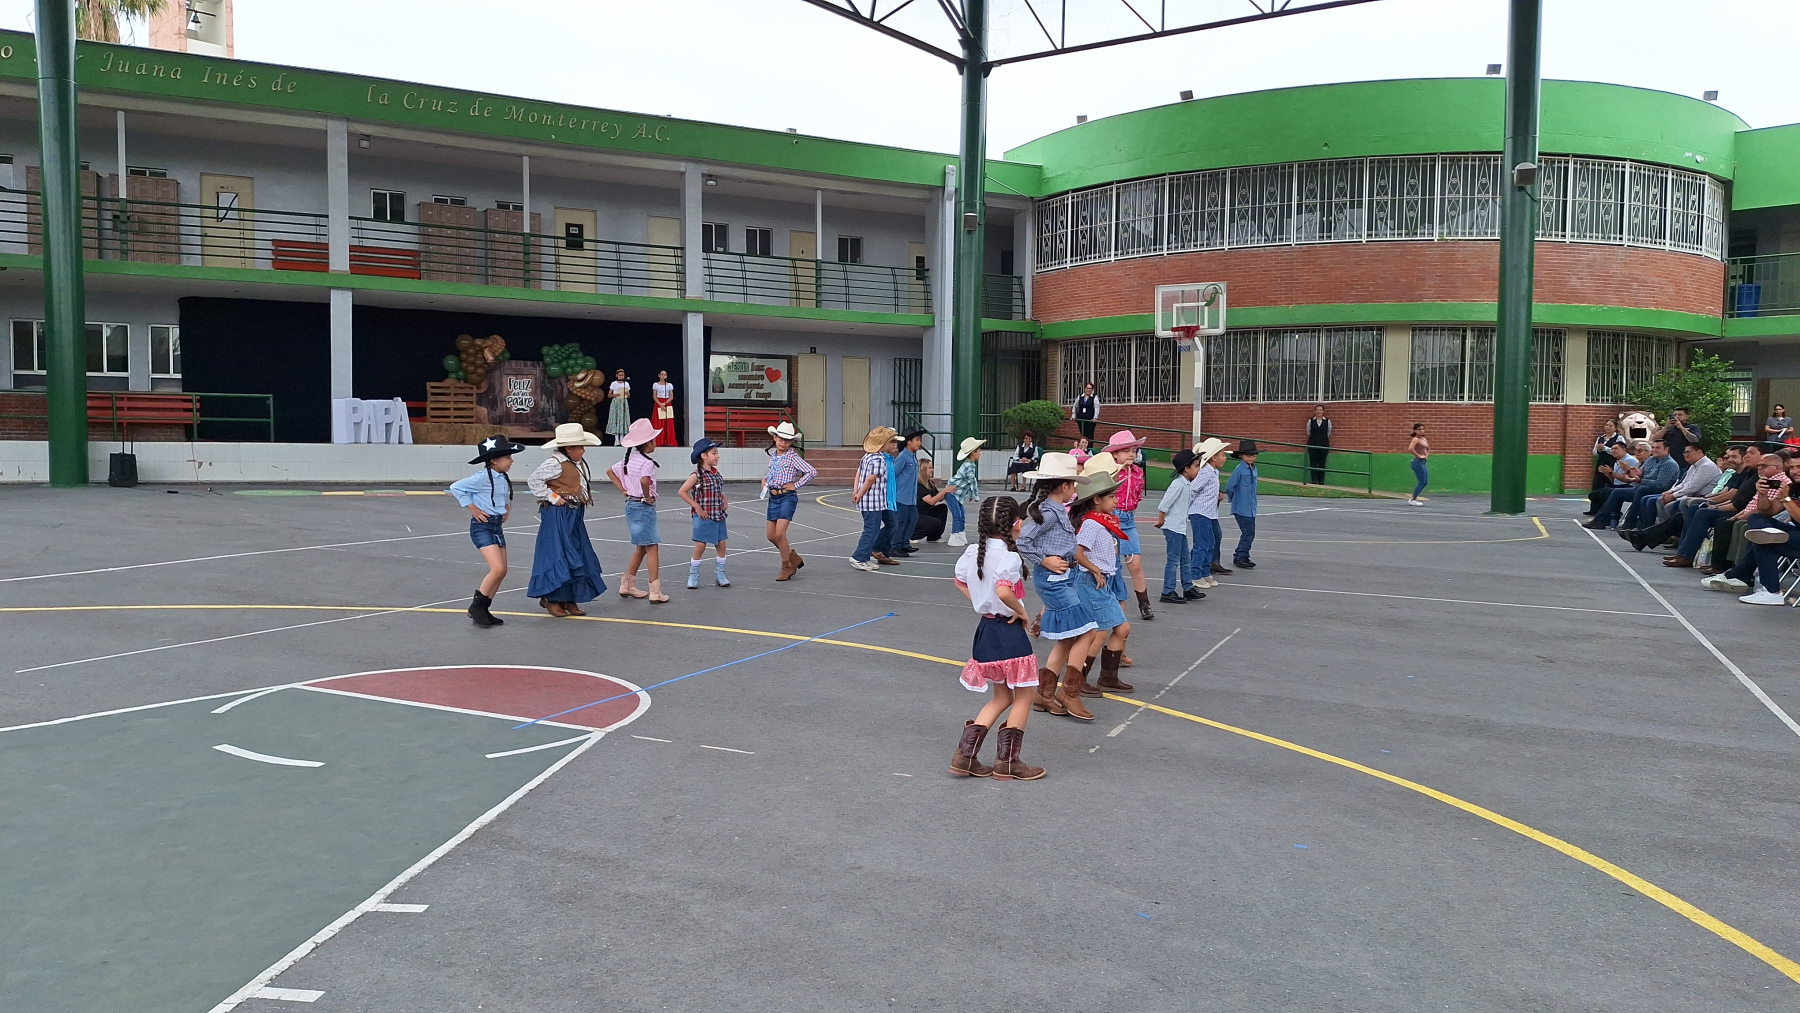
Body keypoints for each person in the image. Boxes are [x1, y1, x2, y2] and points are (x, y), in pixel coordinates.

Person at [948, 496, 1044, 781]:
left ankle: (965, 756)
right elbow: (1003, 590)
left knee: (1002, 696)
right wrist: (1021, 611)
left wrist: (981, 601)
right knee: (1025, 694)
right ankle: (1008, 762)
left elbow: (959, 582)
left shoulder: (973, 552)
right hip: (1007, 629)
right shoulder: (1009, 556)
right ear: (1017, 524)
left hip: (986, 630)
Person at [1016, 452, 1101, 722]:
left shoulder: (1053, 510)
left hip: (1062, 578)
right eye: (1073, 484)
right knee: (1088, 630)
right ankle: (1069, 692)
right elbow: (1023, 540)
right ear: (1063, 486)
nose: (1074, 489)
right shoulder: (1048, 512)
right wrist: (1045, 560)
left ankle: (1045, 693)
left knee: (1068, 636)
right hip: (1054, 581)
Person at [526, 422, 608, 617]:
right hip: (559, 514)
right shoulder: (555, 463)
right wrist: (553, 497)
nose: (583, 451)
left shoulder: (575, 463)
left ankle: (570, 599)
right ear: (569, 448)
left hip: (574, 513)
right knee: (559, 553)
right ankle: (553, 598)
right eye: (580, 447)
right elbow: (534, 480)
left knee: (577, 552)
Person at [448, 435, 525, 627]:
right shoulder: (481, 477)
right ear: (494, 460)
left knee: (503, 570)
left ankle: (484, 607)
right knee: (497, 568)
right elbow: (456, 487)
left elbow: (500, 495)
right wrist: (472, 507)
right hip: (483, 526)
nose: (511, 461)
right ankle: (475, 607)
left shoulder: (502, 477)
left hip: (496, 525)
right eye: (507, 457)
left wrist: (506, 507)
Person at [1070, 470, 1134, 697]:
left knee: (1122, 628)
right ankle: (1078, 678)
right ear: (1097, 499)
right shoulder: (1092, 524)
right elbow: (1077, 551)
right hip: (1089, 582)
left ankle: (1108, 677)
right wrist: (1095, 569)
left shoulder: (1103, 522)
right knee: (1096, 633)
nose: (1116, 500)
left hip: (1101, 581)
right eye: (1112, 496)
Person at [606, 418, 669, 604]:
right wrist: (647, 496)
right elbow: (644, 480)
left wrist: (623, 489)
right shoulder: (647, 463)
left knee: (641, 547)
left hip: (631, 505)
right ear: (648, 443)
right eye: (653, 440)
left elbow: (610, 471)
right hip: (643, 506)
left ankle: (627, 583)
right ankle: (655, 591)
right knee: (652, 547)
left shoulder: (629, 459)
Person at [1099, 429, 1155, 621]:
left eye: (1133, 450)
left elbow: (1137, 495)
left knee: (1135, 563)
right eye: (1126, 450)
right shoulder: (1110, 472)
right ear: (1115, 454)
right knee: (1112, 565)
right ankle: (1111, 603)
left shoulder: (1138, 472)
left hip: (1128, 519)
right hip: (1111, 519)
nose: (1131, 454)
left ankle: (1144, 603)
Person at [763, 421, 817, 581]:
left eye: (787, 440)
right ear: (775, 438)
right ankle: (793, 557)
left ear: (791, 442)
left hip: (787, 497)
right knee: (771, 535)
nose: (783, 442)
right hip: (774, 497)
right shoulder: (773, 456)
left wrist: (796, 485)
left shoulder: (792, 456)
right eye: (781, 439)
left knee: (780, 533)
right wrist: (765, 480)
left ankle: (786, 566)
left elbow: (812, 471)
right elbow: (773, 473)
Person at [678, 437, 730, 589]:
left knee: (721, 543)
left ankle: (720, 574)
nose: (717, 456)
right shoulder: (696, 475)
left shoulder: (716, 474)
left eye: (717, 453)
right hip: (704, 516)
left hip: (718, 514)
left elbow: (716, 491)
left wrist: (723, 498)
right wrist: (696, 506)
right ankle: (693, 575)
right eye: (714, 453)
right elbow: (682, 491)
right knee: (700, 544)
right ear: (704, 456)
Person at [1153, 449, 1203, 604]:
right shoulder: (1178, 484)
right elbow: (1164, 504)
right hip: (1173, 528)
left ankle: (1188, 588)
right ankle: (1167, 591)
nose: (1198, 469)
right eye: (1196, 466)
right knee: (1173, 560)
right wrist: (1161, 520)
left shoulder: (1186, 484)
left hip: (1180, 528)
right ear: (1186, 468)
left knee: (1185, 559)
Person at [849, 427, 898, 571]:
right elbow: (871, 479)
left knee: (873, 529)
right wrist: (860, 493)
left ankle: (865, 557)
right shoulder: (879, 459)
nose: (894, 444)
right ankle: (858, 557)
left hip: (870, 500)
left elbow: (859, 474)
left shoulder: (866, 456)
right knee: (871, 530)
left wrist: (856, 491)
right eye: (891, 442)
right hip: (873, 501)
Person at [1188, 438, 1227, 591]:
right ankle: (1194, 574)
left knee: (1210, 542)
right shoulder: (1205, 472)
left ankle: (1204, 571)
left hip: (1209, 513)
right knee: (1202, 544)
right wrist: (1186, 508)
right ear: (1214, 457)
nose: (1225, 458)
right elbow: (1192, 489)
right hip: (1200, 513)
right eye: (1222, 455)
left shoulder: (1214, 472)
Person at [932, 437, 984, 547]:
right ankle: (954, 536)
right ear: (973, 453)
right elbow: (971, 481)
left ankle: (960, 534)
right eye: (978, 451)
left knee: (961, 514)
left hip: (957, 495)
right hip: (952, 494)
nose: (980, 454)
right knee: (957, 515)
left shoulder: (970, 464)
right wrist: (975, 495)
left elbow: (971, 481)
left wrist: (971, 494)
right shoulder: (968, 466)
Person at [889, 427, 926, 557]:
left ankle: (904, 543)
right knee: (901, 522)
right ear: (908, 441)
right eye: (917, 440)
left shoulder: (913, 457)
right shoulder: (903, 457)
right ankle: (895, 546)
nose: (919, 443)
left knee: (912, 519)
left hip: (911, 498)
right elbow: (892, 475)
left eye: (920, 440)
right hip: (901, 497)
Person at [1226, 440, 1260, 569]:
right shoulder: (1239, 470)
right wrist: (1235, 499)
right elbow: (1230, 486)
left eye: (1253, 455)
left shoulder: (1254, 469)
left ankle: (1240, 555)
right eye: (1248, 455)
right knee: (1248, 532)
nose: (1251, 457)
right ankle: (1241, 555)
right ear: (1241, 456)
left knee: (1249, 532)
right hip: (1241, 507)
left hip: (1251, 507)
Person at [1588, 441, 1641, 517]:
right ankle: (1606, 514)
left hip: (1628, 486)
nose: (1613, 451)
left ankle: (1609, 515)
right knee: (1594, 494)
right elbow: (1614, 481)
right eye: (1612, 449)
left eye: (1616, 448)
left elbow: (1627, 479)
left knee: (1604, 493)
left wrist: (1611, 473)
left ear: (1624, 449)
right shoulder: (1617, 461)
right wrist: (1608, 474)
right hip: (1619, 485)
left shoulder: (1629, 460)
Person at [1589, 419, 1627, 499]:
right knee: (1597, 485)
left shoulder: (1619, 438)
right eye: (1606, 425)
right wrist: (1599, 450)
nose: (1608, 427)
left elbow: (1621, 451)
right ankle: (1595, 505)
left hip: (1612, 463)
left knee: (1610, 484)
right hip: (1601, 463)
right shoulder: (1600, 438)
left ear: (1615, 428)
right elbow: (1594, 452)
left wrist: (1605, 448)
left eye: (1610, 426)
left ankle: (1608, 503)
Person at [604, 369, 632, 446]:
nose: (621, 376)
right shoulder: (614, 383)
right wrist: (614, 395)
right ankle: (616, 439)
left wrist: (627, 394)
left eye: (622, 375)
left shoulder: (626, 384)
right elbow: (609, 395)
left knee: (623, 419)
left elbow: (629, 396)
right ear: (616, 375)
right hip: (616, 402)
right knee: (615, 419)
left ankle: (622, 439)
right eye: (619, 375)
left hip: (623, 402)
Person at [652, 369, 679, 446]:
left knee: (668, 422)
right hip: (658, 403)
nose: (663, 376)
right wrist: (660, 404)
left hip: (667, 403)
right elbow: (654, 396)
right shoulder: (656, 385)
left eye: (665, 375)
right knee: (659, 422)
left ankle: (669, 441)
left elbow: (671, 396)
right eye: (662, 374)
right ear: (659, 375)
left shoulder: (669, 385)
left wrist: (665, 403)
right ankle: (658, 440)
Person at [1306, 404, 1332, 484]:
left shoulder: (1327, 421)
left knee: (1322, 462)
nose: (1318, 411)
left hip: (1324, 445)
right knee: (1313, 462)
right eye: (1317, 410)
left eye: (1320, 410)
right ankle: (1314, 479)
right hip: (1312, 444)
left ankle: (1321, 480)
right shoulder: (1311, 421)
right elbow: (1308, 432)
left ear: (1323, 411)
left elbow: (1328, 432)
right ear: (1315, 411)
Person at [1407, 423, 1430, 505]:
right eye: (1419, 429)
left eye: (1423, 429)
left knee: (1425, 482)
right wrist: (1418, 456)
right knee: (1422, 481)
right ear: (1415, 430)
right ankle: (1413, 499)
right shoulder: (1415, 439)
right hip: (1417, 462)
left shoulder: (1424, 439)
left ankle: (1414, 498)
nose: (1421, 431)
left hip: (1423, 462)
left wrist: (1426, 455)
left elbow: (1428, 448)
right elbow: (1410, 449)